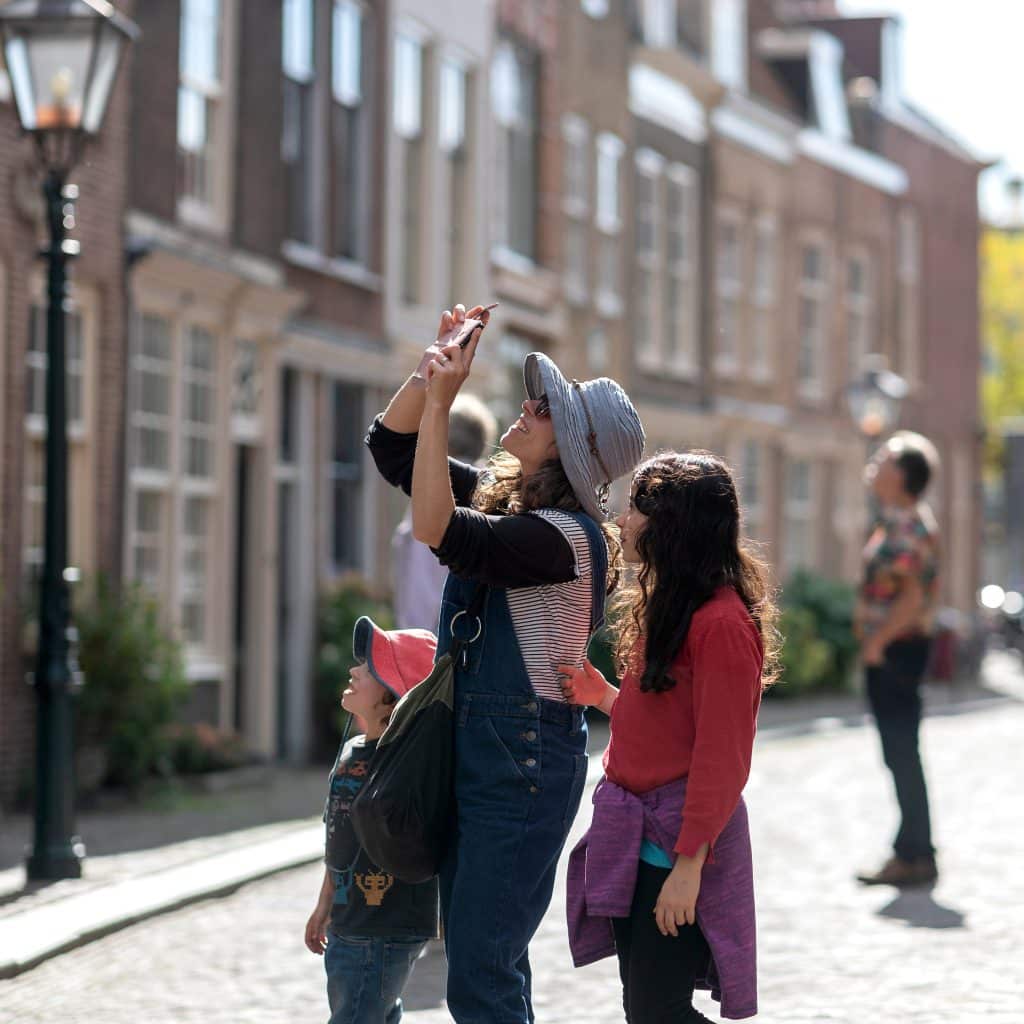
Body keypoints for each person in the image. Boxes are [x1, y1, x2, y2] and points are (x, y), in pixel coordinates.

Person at [365, 303, 645, 1024]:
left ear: (568, 449)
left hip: (521, 767)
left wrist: (443, 405)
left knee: (482, 973)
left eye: (544, 408)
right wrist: (429, 370)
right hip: (488, 753)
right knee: (484, 964)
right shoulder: (507, 497)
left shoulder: (564, 538)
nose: (525, 407)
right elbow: (392, 452)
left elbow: (436, 528)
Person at [562, 452, 777, 1023]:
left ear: (672, 523)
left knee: (658, 1012)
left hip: (678, 847)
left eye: (636, 507)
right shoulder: (671, 609)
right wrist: (605, 696)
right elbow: (668, 726)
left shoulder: (722, 624)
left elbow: (722, 758)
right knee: (647, 1009)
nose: (624, 520)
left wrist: (689, 869)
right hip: (638, 839)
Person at [304, 616, 440, 1024]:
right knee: (372, 1012)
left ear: (392, 698)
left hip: (386, 925)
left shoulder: (406, 765)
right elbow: (338, 838)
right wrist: (324, 904)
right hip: (350, 920)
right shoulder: (350, 751)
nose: (353, 670)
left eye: (368, 668)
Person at [855, 431, 942, 888]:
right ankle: (912, 849)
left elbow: (911, 596)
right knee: (899, 753)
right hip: (894, 650)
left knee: (902, 752)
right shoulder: (897, 521)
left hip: (896, 652)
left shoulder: (907, 525)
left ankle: (915, 855)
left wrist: (878, 642)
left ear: (902, 475)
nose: (875, 461)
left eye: (885, 457)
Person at [391, 393, 496, 632]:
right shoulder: (494, 491)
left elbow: (414, 562)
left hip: (429, 630)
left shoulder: (432, 486)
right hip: (471, 630)